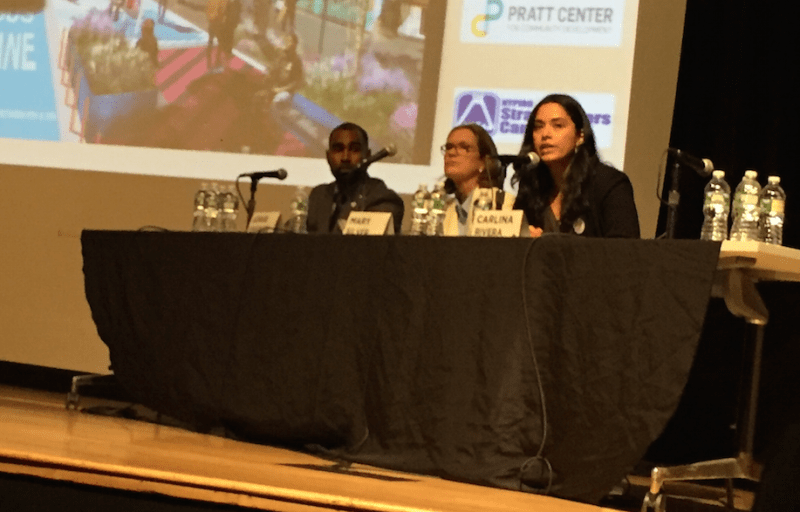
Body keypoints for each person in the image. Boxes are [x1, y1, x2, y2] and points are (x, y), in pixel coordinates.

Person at [513, 94, 640, 238]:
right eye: (538, 127)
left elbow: (625, 249)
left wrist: (546, 245)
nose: (545, 134)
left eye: (558, 125)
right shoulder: (531, 186)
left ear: (580, 136)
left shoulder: (609, 183)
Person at [307, 123, 404, 234]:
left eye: (354, 150)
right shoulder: (319, 195)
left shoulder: (383, 198)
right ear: (328, 157)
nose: (345, 157)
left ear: (367, 155)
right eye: (338, 149)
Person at [440, 123, 515, 236]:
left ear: (483, 162)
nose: (451, 153)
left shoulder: (503, 203)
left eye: (464, 147)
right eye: (449, 147)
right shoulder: (443, 209)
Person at [206, 0, 228, 71]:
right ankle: (217, 61)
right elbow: (222, 11)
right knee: (221, 41)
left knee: (211, 40)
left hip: (212, 22)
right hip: (218, 22)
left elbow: (208, 9)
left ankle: (209, 60)